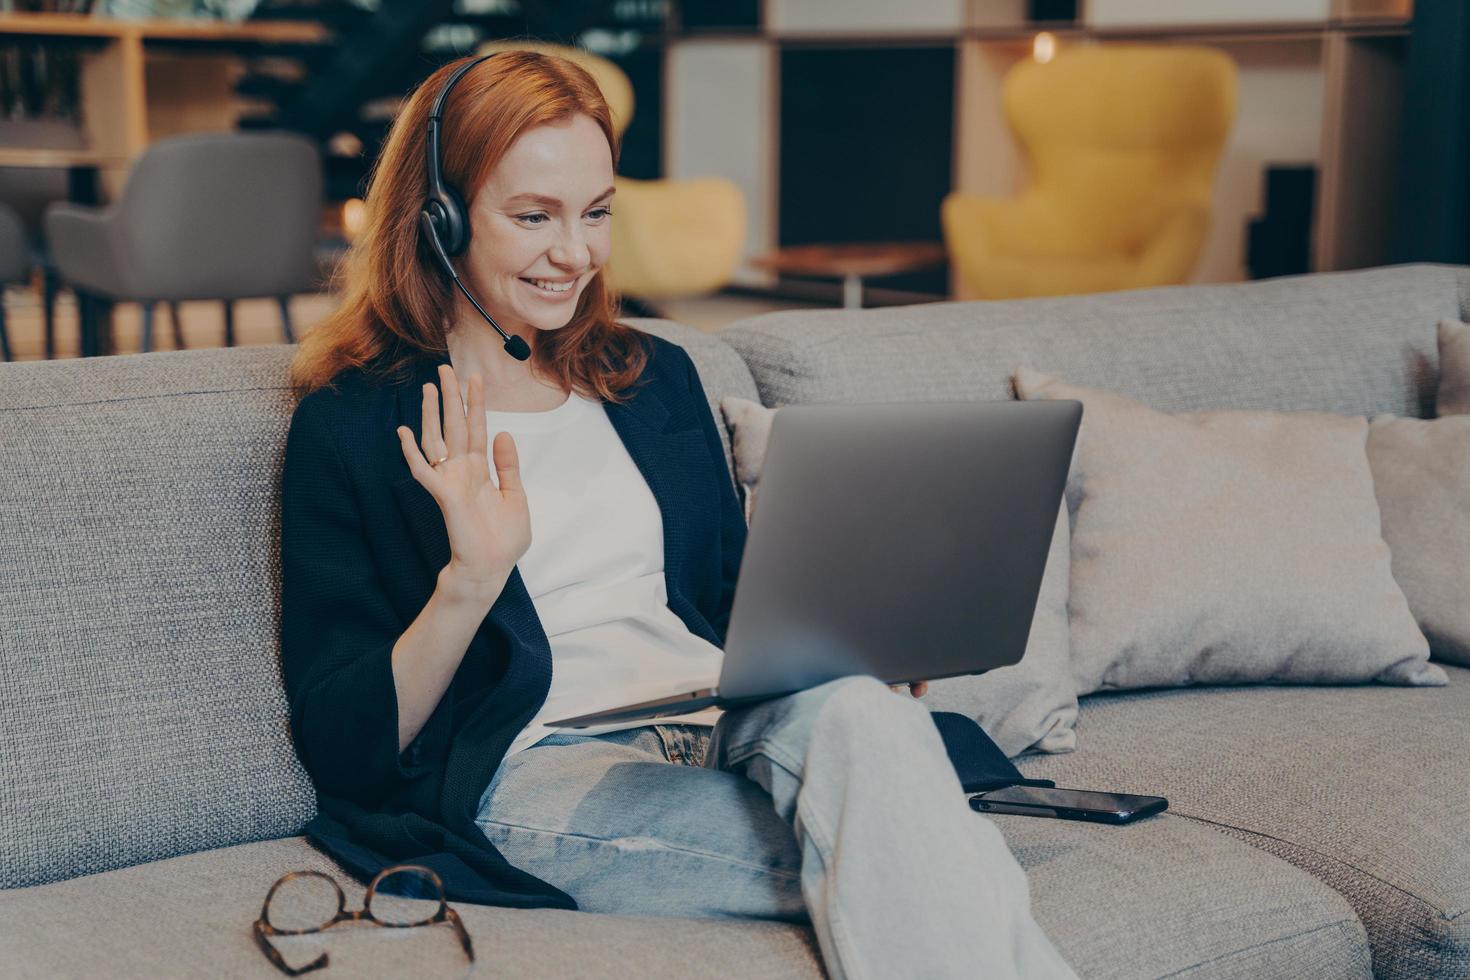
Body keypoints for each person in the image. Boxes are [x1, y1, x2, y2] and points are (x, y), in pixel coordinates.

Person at [280, 51, 1077, 979]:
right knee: (918, 850)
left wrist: (859, 649)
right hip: (545, 768)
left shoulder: (650, 378)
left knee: (866, 724)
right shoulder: (356, 424)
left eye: (596, 213)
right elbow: (345, 745)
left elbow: (744, 604)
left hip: (726, 718)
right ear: (439, 219)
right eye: (533, 216)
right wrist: (469, 583)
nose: (575, 253)